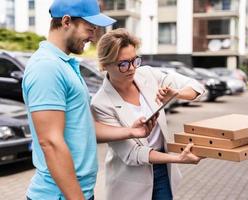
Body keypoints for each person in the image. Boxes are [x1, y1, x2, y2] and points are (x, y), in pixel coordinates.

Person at [22, 1, 154, 199]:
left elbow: (82, 126)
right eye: (89, 29)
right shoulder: (46, 67)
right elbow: (50, 142)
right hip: (59, 195)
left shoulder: (64, 65)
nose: (93, 37)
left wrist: (131, 131)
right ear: (66, 21)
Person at [91, 28, 206, 200]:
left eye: (134, 60)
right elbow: (132, 154)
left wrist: (177, 94)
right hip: (130, 180)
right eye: (123, 64)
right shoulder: (101, 103)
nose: (131, 69)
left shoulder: (148, 74)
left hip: (163, 169)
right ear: (105, 65)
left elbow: (196, 86)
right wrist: (179, 158)